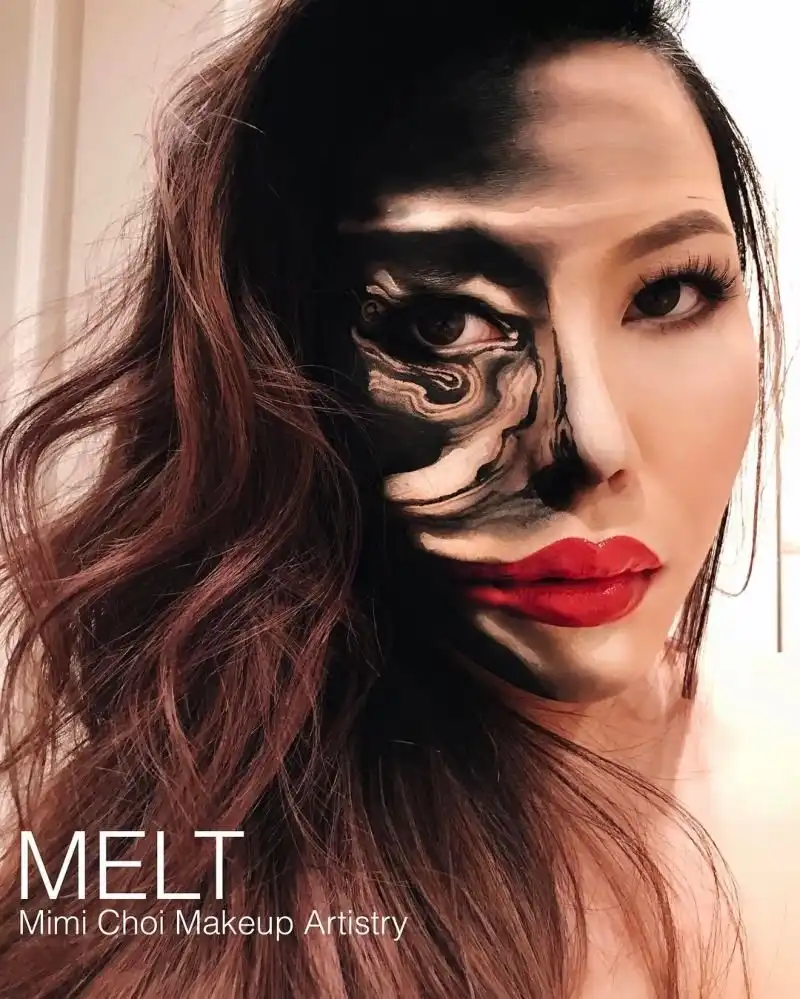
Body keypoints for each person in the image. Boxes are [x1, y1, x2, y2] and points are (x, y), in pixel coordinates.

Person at [0, 0, 796, 996]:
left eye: (667, 293)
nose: (590, 445)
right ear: (281, 372)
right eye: (440, 325)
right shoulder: (152, 888)